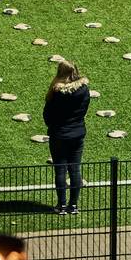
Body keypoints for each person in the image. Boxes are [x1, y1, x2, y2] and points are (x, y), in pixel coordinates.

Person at [42, 55, 92, 214]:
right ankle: (73, 205)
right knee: (75, 170)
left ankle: (61, 205)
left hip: (59, 135)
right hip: (77, 134)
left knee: (61, 170)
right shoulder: (84, 90)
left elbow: (47, 114)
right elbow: (84, 110)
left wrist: (53, 126)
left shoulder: (56, 92)